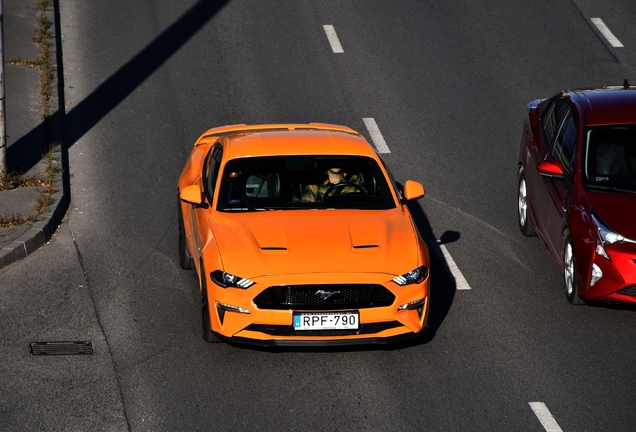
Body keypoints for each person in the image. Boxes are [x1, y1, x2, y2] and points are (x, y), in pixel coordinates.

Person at [301, 165, 366, 202]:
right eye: (333, 160)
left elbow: (365, 202)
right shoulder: (315, 183)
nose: (336, 163)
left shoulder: (354, 179)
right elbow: (305, 209)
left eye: (339, 159)